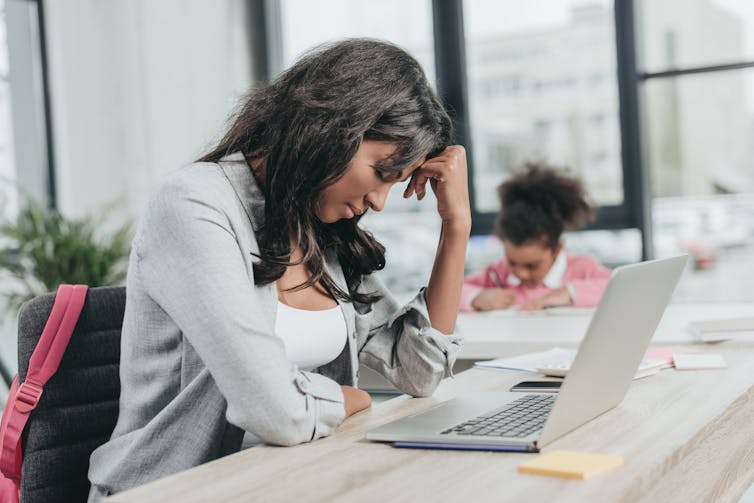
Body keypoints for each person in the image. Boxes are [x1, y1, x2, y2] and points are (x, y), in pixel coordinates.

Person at [88, 39, 470, 500]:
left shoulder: (322, 226)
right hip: (176, 490)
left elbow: (419, 373)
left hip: (288, 480)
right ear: (335, 128)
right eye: (381, 173)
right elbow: (276, 411)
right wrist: (349, 397)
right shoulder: (194, 205)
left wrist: (456, 226)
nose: (379, 202)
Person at [460, 162, 610, 312]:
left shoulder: (582, 268)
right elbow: (449, 291)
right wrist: (476, 297)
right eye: (512, 262)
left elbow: (620, 287)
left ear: (556, 249)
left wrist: (570, 293)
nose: (521, 274)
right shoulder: (497, 274)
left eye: (532, 266)